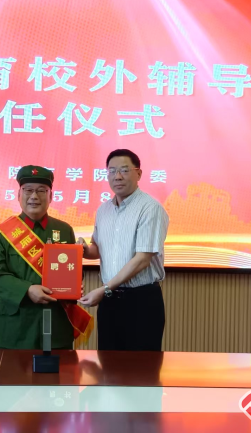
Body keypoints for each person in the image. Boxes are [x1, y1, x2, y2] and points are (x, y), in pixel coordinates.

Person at [0, 165, 91, 349]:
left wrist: (74, 285)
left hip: (57, 323)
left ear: (51, 196)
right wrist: (27, 290)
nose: (34, 196)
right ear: (18, 195)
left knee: (60, 368)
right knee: (13, 369)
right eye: (28, 190)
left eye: (41, 190)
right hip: (17, 324)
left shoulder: (64, 230)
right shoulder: (2, 233)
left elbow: (74, 271)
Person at [78, 149, 169, 351]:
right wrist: (83, 250)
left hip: (141, 301)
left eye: (124, 170)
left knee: (142, 366)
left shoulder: (150, 208)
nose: (117, 176)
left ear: (139, 174)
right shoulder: (103, 210)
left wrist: (105, 289)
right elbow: (97, 250)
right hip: (109, 302)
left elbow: (142, 259)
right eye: (112, 171)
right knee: (108, 364)